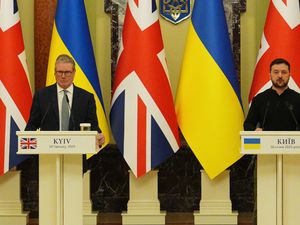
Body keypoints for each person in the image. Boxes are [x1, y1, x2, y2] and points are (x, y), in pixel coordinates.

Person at [25, 54, 105, 147]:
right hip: (47, 154)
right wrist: (27, 140)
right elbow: (32, 124)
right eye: (60, 72)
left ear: (74, 72)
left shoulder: (86, 98)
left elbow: (93, 126)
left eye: (67, 72)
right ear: (55, 73)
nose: (63, 76)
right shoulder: (42, 96)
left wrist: (99, 136)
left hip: (76, 154)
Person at [244, 58, 300, 131]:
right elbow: (248, 124)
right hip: (265, 142)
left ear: (289, 75)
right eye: (276, 72)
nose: (280, 76)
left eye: (284, 72)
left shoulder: (298, 99)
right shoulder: (259, 99)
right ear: (270, 75)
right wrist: (255, 129)